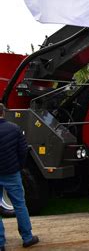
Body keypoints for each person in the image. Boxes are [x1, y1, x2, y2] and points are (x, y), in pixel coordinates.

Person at [0, 103, 39, 249]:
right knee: (20, 205)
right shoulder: (14, 129)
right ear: (3, 112)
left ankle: (0, 243)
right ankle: (27, 238)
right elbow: (23, 150)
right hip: (11, 172)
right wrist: (19, 166)